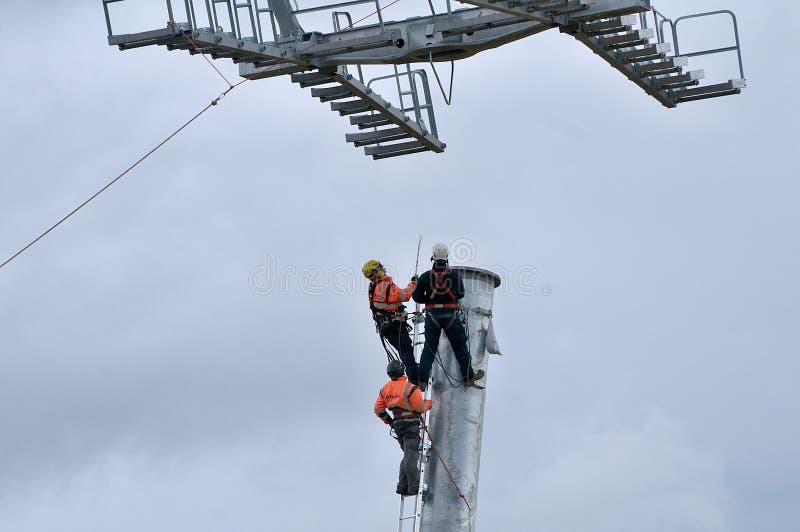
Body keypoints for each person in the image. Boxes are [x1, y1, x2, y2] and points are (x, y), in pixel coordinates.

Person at [412, 243, 484, 390]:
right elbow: (461, 293)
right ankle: (468, 377)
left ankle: (422, 380)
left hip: (433, 316)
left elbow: (417, 297)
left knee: (430, 348)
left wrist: (430, 300)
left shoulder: (425, 277)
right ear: (447, 258)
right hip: (450, 315)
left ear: (432, 257)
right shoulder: (454, 275)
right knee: (460, 347)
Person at [374, 360, 432, 497]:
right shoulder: (410, 388)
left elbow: (378, 410)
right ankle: (413, 486)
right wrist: (430, 403)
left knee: (407, 454)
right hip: (410, 423)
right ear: (402, 371)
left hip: (398, 425)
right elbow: (420, 408)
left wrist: (390, 421)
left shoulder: (385, 389)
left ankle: (402, 485)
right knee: (411, 455)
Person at [362, 259, 419, 384]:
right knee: (406, 350)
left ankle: (414, 374)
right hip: (393, 326)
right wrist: (414, 284)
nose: (384, 269)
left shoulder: (375, 287)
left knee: (404, 351)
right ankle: (415, 377)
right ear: (377, 272)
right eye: (380, 267)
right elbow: (404, 295)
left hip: (389, 326)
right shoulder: (382, 286)